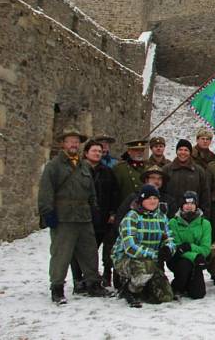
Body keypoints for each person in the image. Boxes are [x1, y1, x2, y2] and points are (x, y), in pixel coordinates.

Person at [39, 128, 110, 304]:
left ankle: (93, 283)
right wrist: (47, 212)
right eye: (70, 141)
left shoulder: (83, 166)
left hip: (84, 217)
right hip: (64, 218)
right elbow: (45, 191)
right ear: (63, 144)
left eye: (76, 141)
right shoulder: (53, 166)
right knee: (61, 254)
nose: (74, 144)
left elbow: (90, 190)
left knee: (90, 252)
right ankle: (57, 287)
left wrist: (94, 208)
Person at [112, 184, 175, 307]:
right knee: (146, 266)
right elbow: (131, 247)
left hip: (150, 260)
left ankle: (144, 287)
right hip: (127, 259)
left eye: (155, 198)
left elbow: (169, 238)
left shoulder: (162, 217)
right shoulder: (131, 217)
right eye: (149, 198)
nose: (152, 201)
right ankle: (130, 289)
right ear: (141, 200)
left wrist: (168, 248)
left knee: (166, 296)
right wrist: (155, 254)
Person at [71, 139, 119, 291]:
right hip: (81, 215)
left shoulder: (107, 172)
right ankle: (78, 280)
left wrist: (112, 212)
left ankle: (92, 278)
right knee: (79, 250)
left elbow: (114, 193)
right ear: (86, 153)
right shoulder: (77, 170)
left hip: (102, 216)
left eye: (100, 151)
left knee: (93, 250)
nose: (97, 153)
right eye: (94, 151)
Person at [167, 191, 211, 299]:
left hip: (198, 260)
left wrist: (190, 247)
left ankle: (189, 284)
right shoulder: (173, 222)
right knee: (184, 265)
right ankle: (177, 287)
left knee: (198, 294)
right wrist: (194, 255)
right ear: (182, 205)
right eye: (186, 203)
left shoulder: (205, 224)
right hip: (179, 258)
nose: (189, 206)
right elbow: (177, 246)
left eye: (192, 203)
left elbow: (205, 248)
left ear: (196, 205)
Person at [163, 139, 211, 215]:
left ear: (190, 153)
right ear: (176, 151)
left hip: (193, 215)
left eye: (186, 150)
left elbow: (205, 195)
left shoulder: (199, 171)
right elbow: (162, 192)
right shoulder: (167, 169)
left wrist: (205, 215)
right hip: (171, 214)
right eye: (180, 149)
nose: (183, 152)